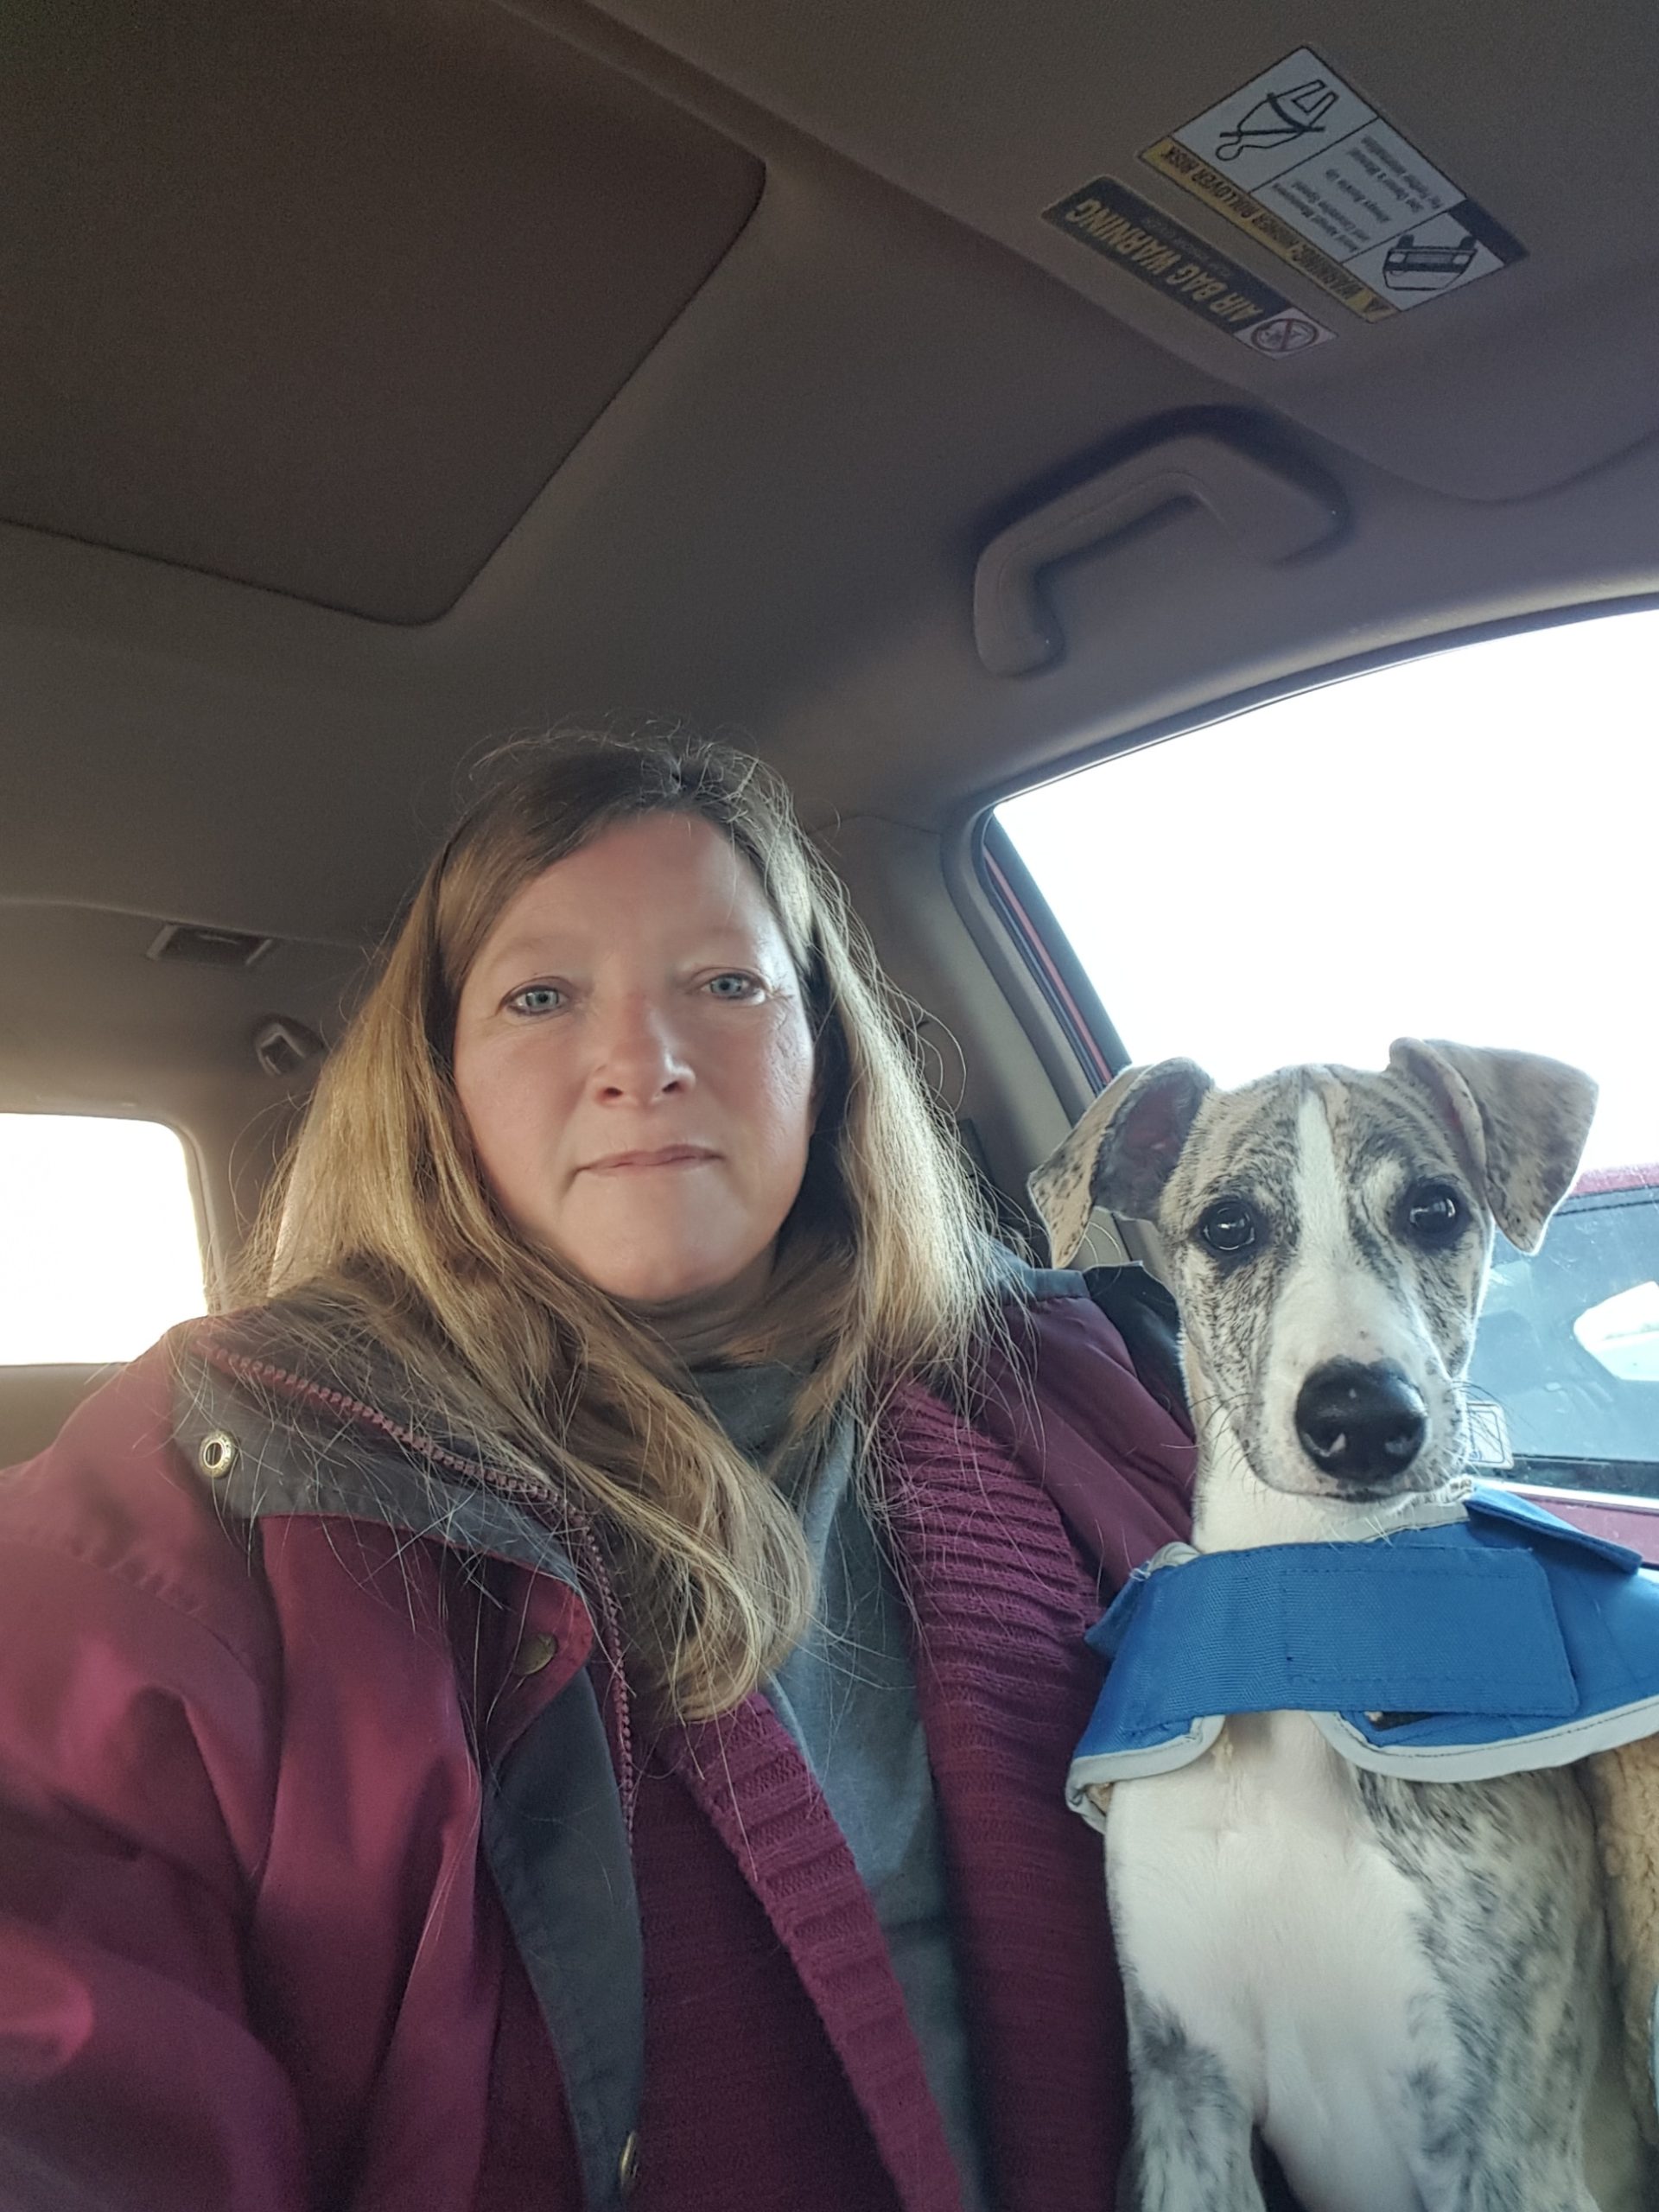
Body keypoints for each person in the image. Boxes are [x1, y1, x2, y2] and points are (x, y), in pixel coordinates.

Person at [0, 731, 1194, 2212]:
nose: (645, 1062)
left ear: (824, 1059)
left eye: (727, 984)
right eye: (542, 997)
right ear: (440, 1085)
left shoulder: (1076, 1379)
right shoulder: (204, 1487)